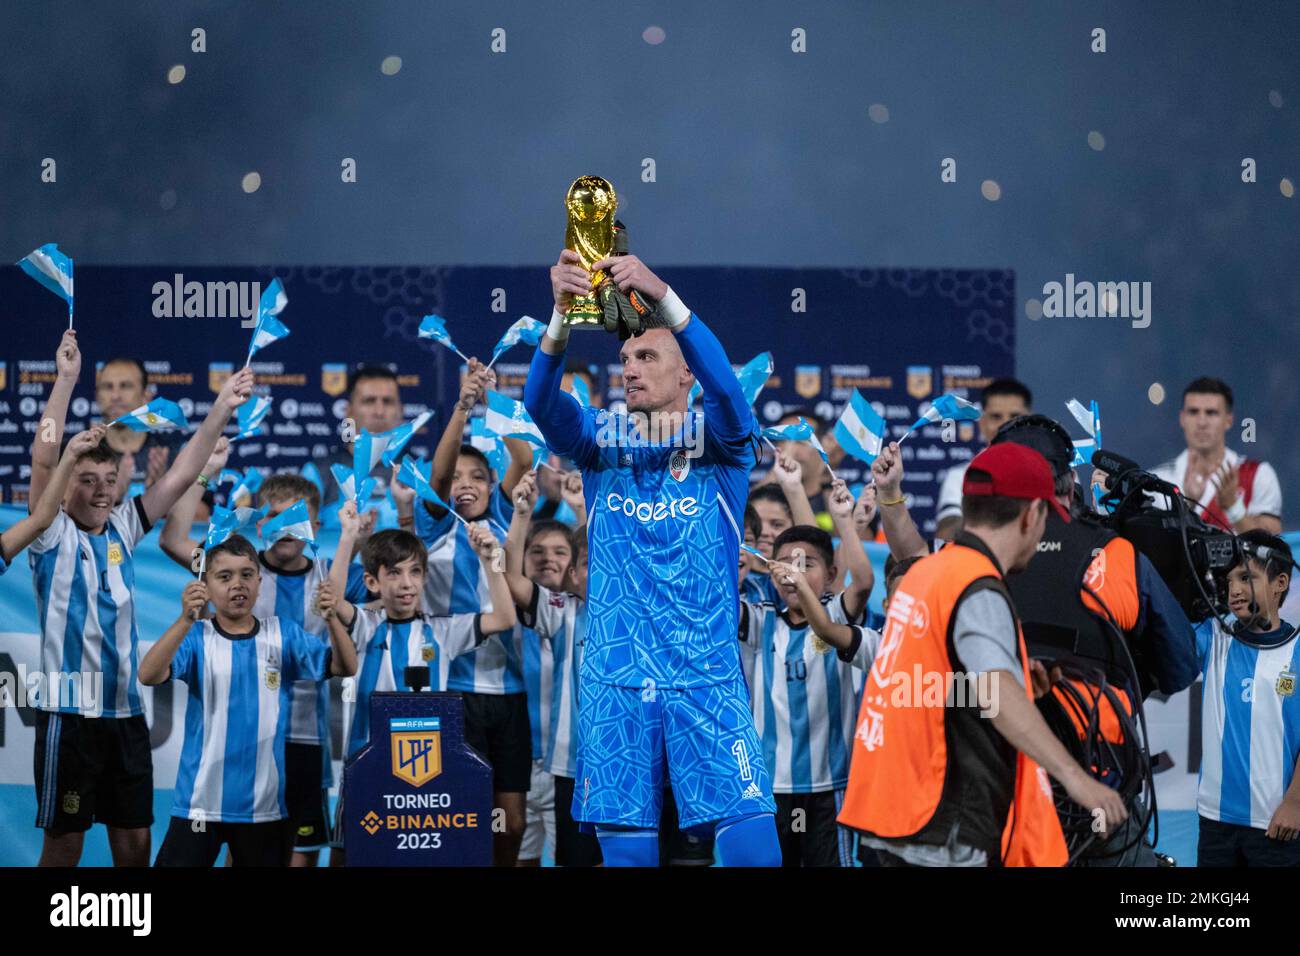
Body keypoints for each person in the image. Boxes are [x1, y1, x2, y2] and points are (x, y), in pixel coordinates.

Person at [524, 247, 780, 867]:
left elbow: (725, 385)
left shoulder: (722, 448)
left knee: (755, 852)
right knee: (629, 858)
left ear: (684, 371)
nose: (631, 370)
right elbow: (538, 401)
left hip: (707, 676)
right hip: (616, 677)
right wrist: (559, 318)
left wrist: (666, 297)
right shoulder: (595, 442)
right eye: (625, 359)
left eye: (648, 356)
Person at [839, 442, 1127, 866]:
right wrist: (1077, 780)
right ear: (1032, 515)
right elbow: (996, 692)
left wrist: (1017, 676)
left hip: (892, 819)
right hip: (940, 828)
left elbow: (923, 687)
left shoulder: (927, 575)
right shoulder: (976, 586)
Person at [28, 329, 253, 867]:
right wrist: (65, 382)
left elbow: (179, 474)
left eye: (110, 478)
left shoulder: (124, 526)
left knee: (134, 846)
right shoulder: (49, 532)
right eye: (87, 479)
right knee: (65, 846)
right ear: (67, 485)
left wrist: (221, 407)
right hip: (69, 716)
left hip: (126, 716)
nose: (103, 489)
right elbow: (42, 460)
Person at [161, 469, 374, 865]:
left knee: (298, 851)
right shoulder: (235, 567)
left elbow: (382, 599)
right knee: (238, 835)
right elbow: (172, 540)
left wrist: (352, 539)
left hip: (306, 738)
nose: (287, 527)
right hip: (240, 741)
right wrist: (204, 475)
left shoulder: (330, 576)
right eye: (277, 516)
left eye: (298, 518)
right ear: (261, 523)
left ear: (315, 525)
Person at [320, 503, 516, 865]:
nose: (406, 583)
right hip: (365, 765)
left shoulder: (443, 631)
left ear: (426, 577)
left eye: (415, 572)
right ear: (372, 582)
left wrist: (491, 561)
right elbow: (331, 602)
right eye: (393, 573)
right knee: (348, 853)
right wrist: (348, 537)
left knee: (424, 854)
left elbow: (504, 618)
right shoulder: (365, 626)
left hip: (429, 775)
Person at [400, 357, 533, 866]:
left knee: (512, 820)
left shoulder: (503, 514)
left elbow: (521, 459)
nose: (466, 483)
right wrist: (461, 406)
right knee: (461, 814)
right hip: (453, 691)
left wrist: (491, 397)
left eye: (478, 476)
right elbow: (438, 470)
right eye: (458, 478)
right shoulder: (434, 524)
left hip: (512, 692)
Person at [740, 512, 875, 867]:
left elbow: (863, 582)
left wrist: (846, 521)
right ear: (770, 572)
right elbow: (713, 600)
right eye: (785, 564)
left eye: (806, 564)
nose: (794, 573)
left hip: (830, 789)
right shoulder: (759, 619)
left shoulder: (837, 616)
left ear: (830, 575)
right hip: (771, 790)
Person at [505, 470, 602, 866]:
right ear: (572, 575)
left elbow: (596, 549)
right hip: (571, 764)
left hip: (630, 761)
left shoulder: (640, 614)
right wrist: (521, 514)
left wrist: (581, 507)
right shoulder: (564, 613)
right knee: (575, 859)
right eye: (584, 565)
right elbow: (511, 577)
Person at [1195, 531, 1300, 866]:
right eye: (1229, 581)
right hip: (1214, 823)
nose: (1234, 590)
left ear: (1280, 582)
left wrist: (1294, 804)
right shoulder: (1213, 635)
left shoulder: (1298, 651)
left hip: (1276, 825)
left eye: (1247, 577)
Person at [1151, 377, 1282, 534]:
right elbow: (1157, 548)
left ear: (1228, 420)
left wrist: (1234, 507)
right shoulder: (1157, 482)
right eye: (1193, 412)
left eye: (1211, 413)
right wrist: (1187, 504)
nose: (1202, 422)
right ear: (1182, 418)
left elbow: (1272, 547)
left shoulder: (1258, 476)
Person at [934, 378, 1032, 541]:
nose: (1005, 424)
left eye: (1015, 416)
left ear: (1029, 421)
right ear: (982, 423)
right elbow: (947, 533)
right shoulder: (959, 476)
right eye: (996, 416)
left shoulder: (1057, 471)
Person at [311, 365, 410, 526]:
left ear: (401, 411)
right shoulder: (319, 473)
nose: (379, 411)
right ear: (348, 411)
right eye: (369, 401)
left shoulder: (420, 473)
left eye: (388, 401)